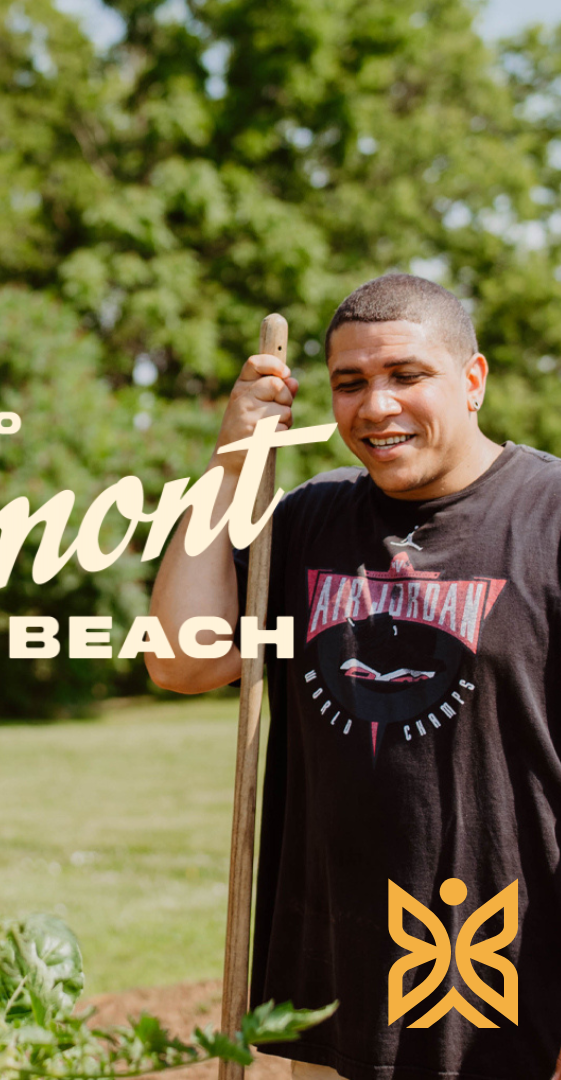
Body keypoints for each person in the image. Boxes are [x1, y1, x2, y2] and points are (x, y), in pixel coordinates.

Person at [147, 274, 561, 1080]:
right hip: (337, 995)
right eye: (350, 383)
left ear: (472, 381)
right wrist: (231, 471)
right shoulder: (305, 521)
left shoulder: (550, 515)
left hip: (508, 998)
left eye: (407, 376)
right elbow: (182, 659)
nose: (375, 407)